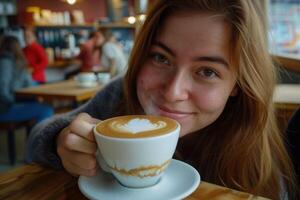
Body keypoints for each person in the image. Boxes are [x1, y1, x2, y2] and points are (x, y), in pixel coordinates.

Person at [27, 1, 299, 199]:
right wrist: (61, 140)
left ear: (238, 84)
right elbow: (37, 137)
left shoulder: (259, 164)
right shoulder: (120, 94)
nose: (172, 92)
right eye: (160, 58)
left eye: (207, 71)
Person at [0, 35, 54, 124]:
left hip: (10, 103)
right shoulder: (6, 61)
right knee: (45, 110)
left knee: (42, 106)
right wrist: (13, 100)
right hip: (5, 108)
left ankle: (36, 135)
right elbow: (3, 89)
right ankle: (39, 137)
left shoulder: (14, 61)